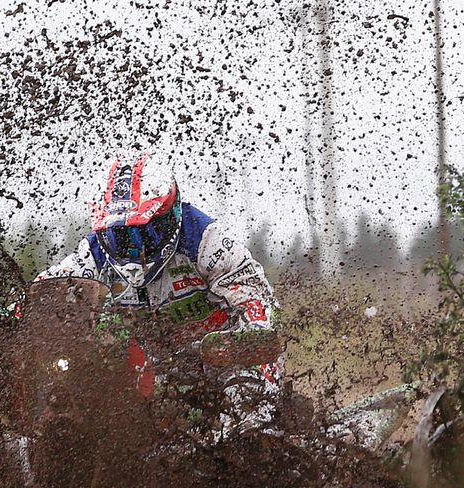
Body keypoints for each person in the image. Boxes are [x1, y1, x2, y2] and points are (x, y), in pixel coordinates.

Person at [35, 151, 281, 439]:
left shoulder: (208, 241)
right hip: (154, 374)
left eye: (146, 233)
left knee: (246, 416)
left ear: (170, 215)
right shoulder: (93, 254)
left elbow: (257, 300)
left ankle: (261, 452)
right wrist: (19, 312)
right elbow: (49, 291)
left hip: (224, 359)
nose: (134, 249)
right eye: (121, 237)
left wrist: (253, 335)